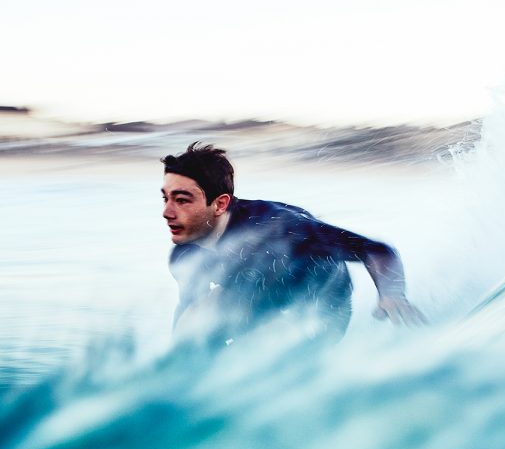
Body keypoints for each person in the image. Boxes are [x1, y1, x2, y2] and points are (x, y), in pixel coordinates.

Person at [161, 142, 426, 343]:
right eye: (166, 198)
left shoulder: (278, 228)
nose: (167, 212)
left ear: (220, 204)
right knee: (208, 316)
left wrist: (392, 295)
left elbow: (375, 250)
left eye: (182, 200)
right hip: (257, 292)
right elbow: (188, 310)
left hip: (323, 299)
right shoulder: (184, 255)